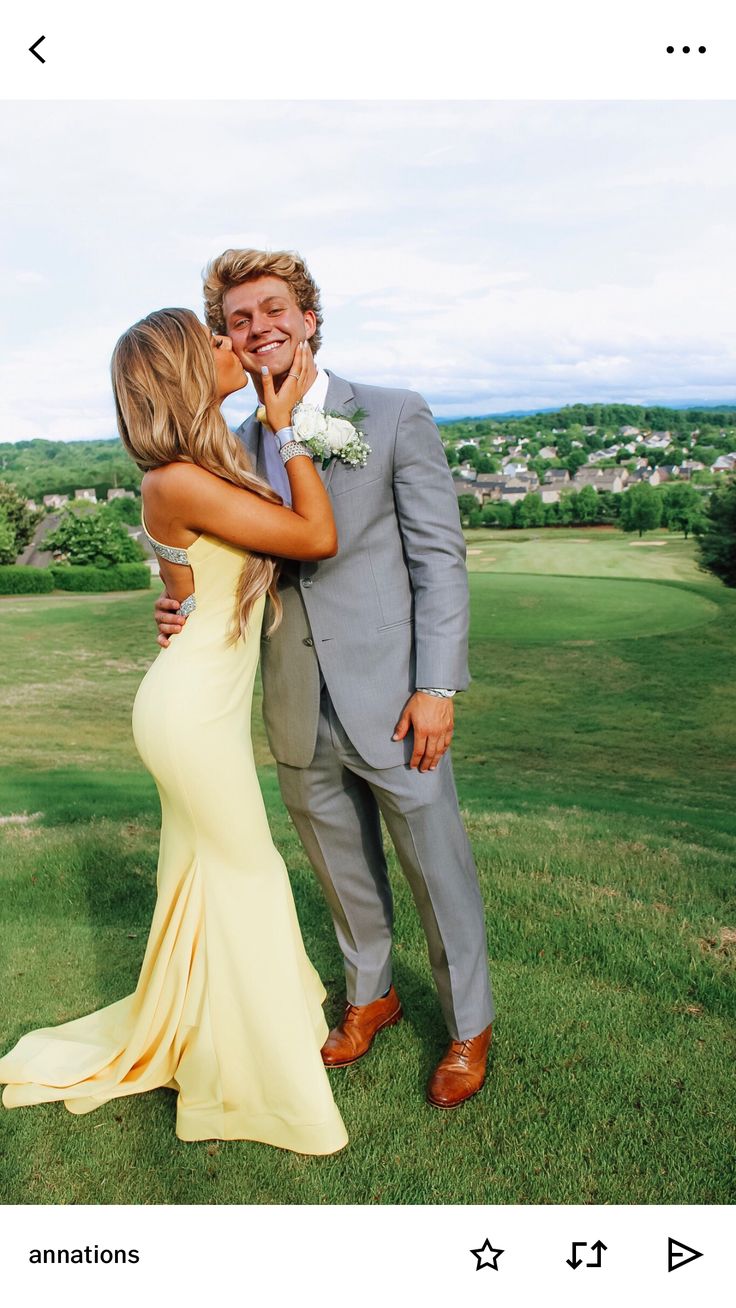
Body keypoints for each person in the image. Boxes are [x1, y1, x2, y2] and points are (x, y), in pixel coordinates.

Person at [0, 308, 348, 1155]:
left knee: (204, 878)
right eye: (217, 344)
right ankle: (261, 1085)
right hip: (189, 713)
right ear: (187, 374)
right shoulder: (178, 478)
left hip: (195, 704)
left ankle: (221, 1034)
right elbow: (316, 536)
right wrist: (289, 430)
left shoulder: (195, 470)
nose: (235, 348)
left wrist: (180, 607)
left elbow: (189, 594)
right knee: (251, 874)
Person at [157, 251, 496, 1109]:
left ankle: (467, 1026)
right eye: (238, 320)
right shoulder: (228, 449)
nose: (259, 327)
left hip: (394, 698)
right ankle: (369, 996)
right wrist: (180, 613)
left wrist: (437, 687)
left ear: (309, 317)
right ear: (223, 339)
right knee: (342, 871)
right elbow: (220, 565)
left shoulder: (390, 414)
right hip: (292, 698)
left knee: (435, 866)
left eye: (275, 309)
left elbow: (438, 561)